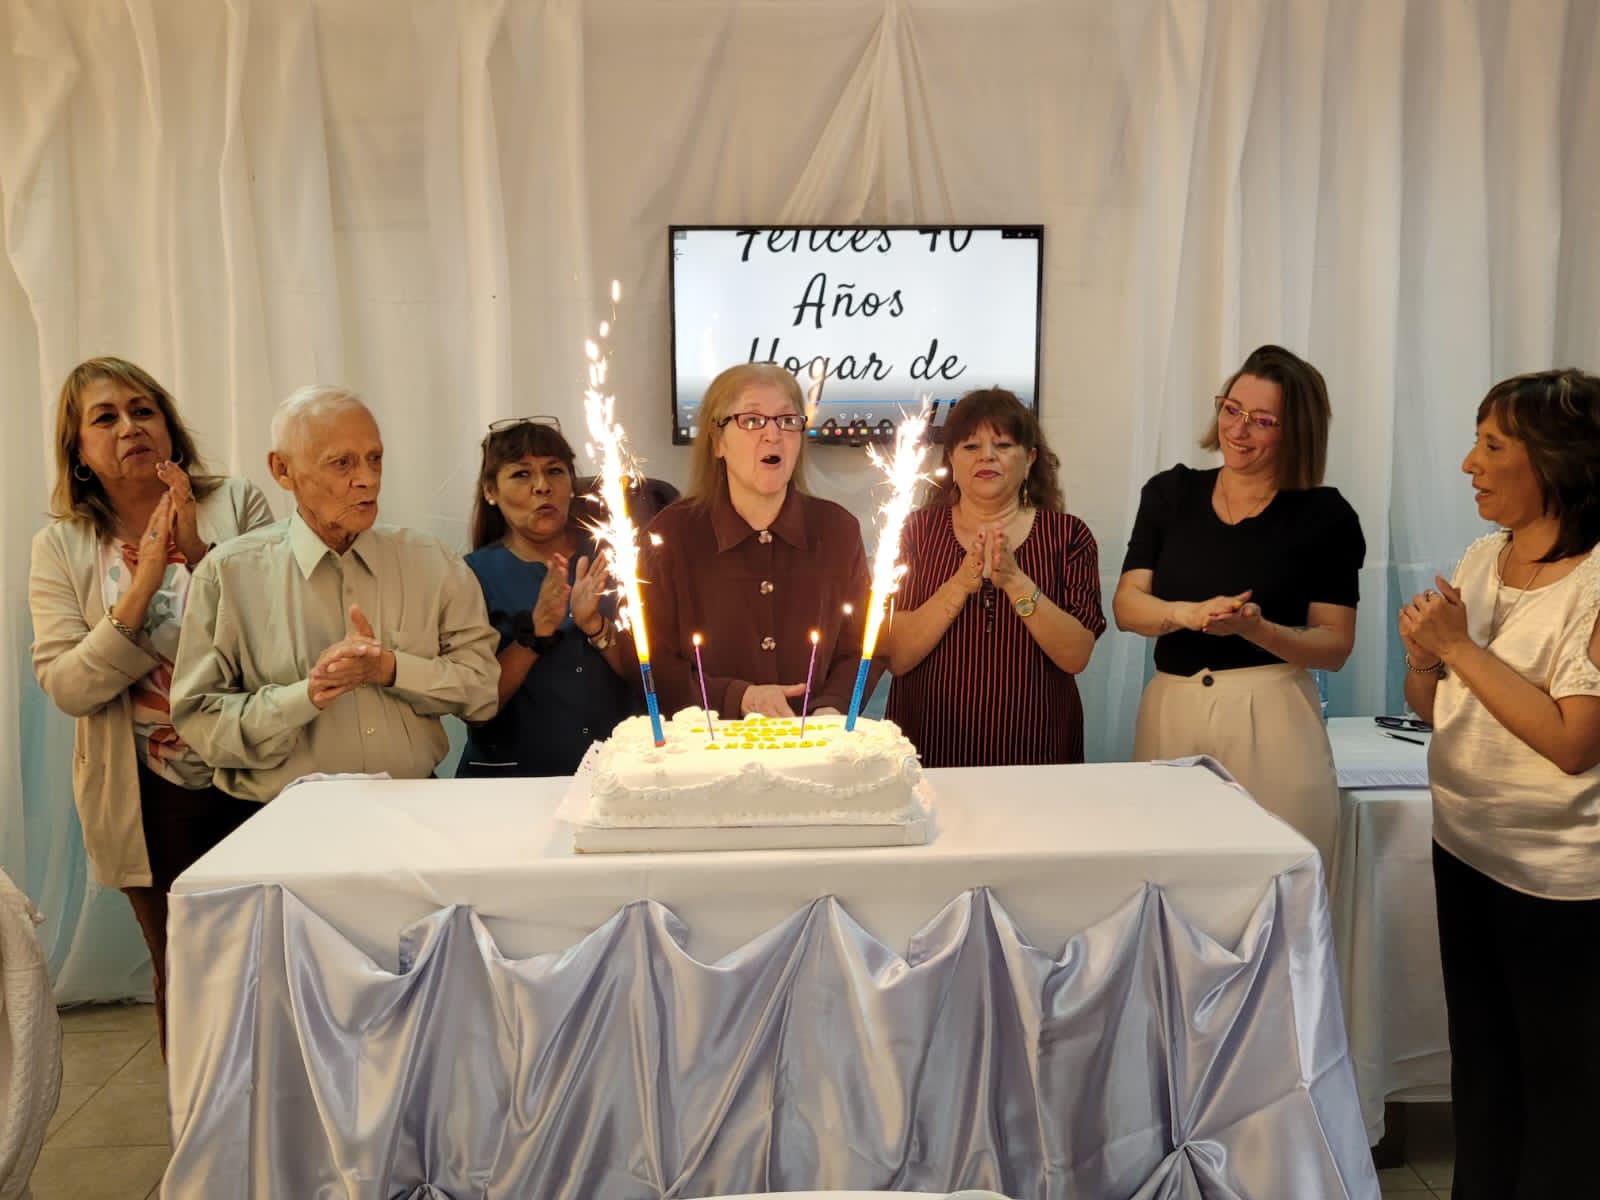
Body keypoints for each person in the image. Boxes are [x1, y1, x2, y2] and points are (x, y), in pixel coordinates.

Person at [28, 356, 274, 1053]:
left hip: (259, 766)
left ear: (169, 425)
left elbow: (278, 634)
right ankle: (202, 1144)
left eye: (144, 409)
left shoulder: (236, 502)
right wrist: (139, 595)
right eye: (104, 418)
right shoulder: (61, 545)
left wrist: (196, 552)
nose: (130, 426)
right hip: (146, 790)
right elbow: (70, 686)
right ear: (79, 451)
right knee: (186, 968)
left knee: (277, 956)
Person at [1398, 369, 1600, 1198]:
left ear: (1555, 461)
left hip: (1560, 882)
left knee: (1564, 1093)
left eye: (1491, 446)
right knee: (1482, 1067)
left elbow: (1571, 742)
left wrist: (1458, 649)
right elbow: (1432, 706)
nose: (1468, 465)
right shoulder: (1483, 559)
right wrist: (1424, 653)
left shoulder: (1594, 581)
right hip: (1467, 849)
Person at [171, 386, 499, 798]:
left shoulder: (432, 562)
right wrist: (305, 695)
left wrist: (390, 670)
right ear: (282, 470)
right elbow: (200, 724)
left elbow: (483, 691)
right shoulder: (230, 575)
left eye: (374, 459)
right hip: (284, 822)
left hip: (415, 812)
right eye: (341, 463)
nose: (367, 479)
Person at [1112, 344, 1364, 865]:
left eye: (1262, 420)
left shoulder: (1325, 515)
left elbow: (1334, 644)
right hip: (1172, 710)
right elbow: (1127, 606)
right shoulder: (1170, 494)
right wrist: (1188, 614)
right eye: (1232, 410)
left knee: (1281, 886)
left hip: (1274, 719)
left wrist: (1257, 631)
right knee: (1167, 886)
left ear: (1296, 431)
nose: (1239, 431)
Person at [882, 389, 1105, 765]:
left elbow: (1076, 655)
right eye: (970, 446)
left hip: (1037, 752)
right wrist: (959, 585)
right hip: (927, 751)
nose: (987, 455)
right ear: (950, 459)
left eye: (1002, 444)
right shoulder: (915, 531)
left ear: (1030, 458)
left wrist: (1017, 581)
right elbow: (897, 656)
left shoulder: (1068, 536)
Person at [637, 363, 869, 719]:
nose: (773, 435)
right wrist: (737, 697)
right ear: (717, 441)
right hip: (709, 753)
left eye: (787, 420)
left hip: (814, 749)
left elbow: (863, 646)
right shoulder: (670, 534)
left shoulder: (838, 530)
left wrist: (832, 708)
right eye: (752, 420)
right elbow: (652, 660)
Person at [457, 417, 636, 776]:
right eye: (521, 474)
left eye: (555, 471)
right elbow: (476, 707)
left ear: (572, 485)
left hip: (616, 773)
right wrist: (534, 633)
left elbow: (652, 678)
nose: (542, 487)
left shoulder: (616, 556)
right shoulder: (469, 576)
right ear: (490, 491)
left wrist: (595, 626)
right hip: (512, 782)